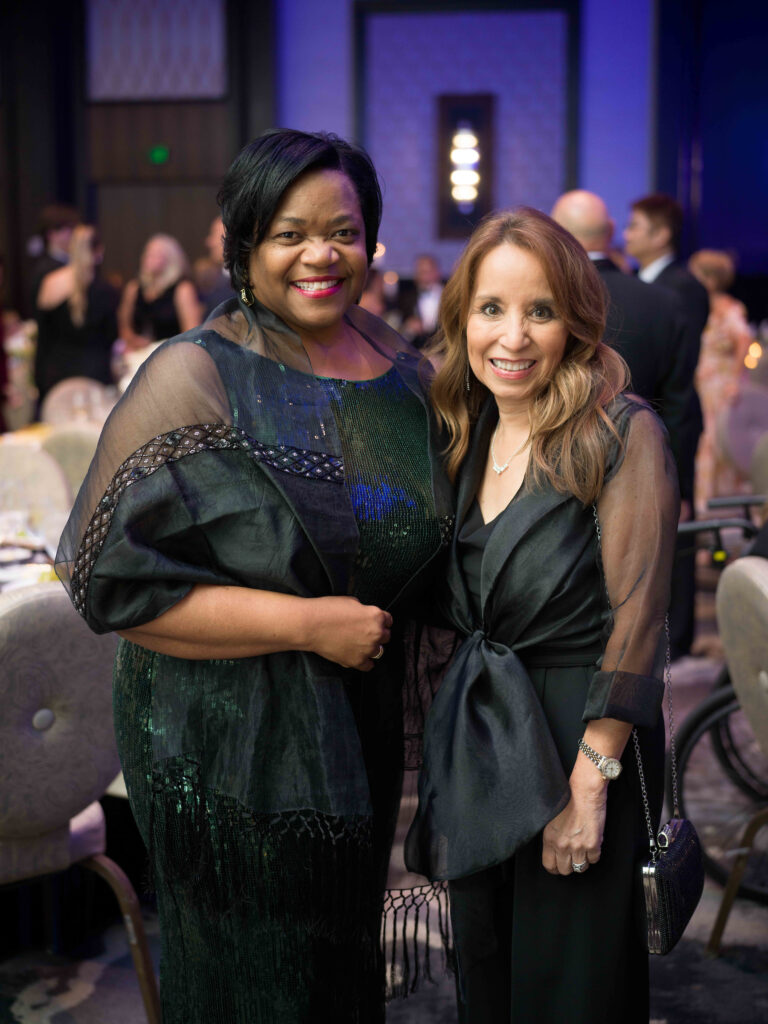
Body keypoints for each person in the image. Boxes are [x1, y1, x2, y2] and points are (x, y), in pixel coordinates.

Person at [55, 128, 451, 1023]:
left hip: (360, 722)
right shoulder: (198, 374)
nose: (322, 255)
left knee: (337, 966)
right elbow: (108, 587)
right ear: (243, 244)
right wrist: (309, 625)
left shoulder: (402, 372)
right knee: (257, 979)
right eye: (289, 232)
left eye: (344, 231)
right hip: (225, 742)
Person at [405, 208, 679, 1023]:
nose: (513, 337)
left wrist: (591, 782)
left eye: (541, 311)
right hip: (483, 734)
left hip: (577, 731)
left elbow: (640, 620)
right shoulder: (462, 431)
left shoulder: (622, 434)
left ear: (576, 322)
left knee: (570, 989)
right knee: (488, 973)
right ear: (461, 320)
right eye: (492, 309)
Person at [550, 190, 689, 484]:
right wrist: (679, 486)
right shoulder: (663, 302)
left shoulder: (547, 297)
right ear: (611, 231)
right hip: (646, 472)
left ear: (555, 234)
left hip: (555, 472)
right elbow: (681, 408)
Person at [624, 193, 708, 659]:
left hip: (674, 420)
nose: (628, 234)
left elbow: (680, 371)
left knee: (677, 527)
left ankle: (680, 637)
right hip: (652, 419)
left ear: (661, 234)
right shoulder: (641, 282)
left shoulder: (683, 286)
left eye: (636, 226)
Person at [688, 248, 753, 513]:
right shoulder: (698, 307)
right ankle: (702, 514)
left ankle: (714, 513)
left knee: (715, 447)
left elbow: (744, 340)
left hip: (718, 388)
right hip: (701, 385)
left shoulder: (728, 308)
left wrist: (736, 379)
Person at [34, 225, 119, 401]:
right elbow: (111, 337)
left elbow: (42, 339)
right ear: (99, 251)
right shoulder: (107, 291)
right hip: (95, 376)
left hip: (56, 376)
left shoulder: (50, 283)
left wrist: (39, 381)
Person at [117, 233, 201, 352]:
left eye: (157, 255)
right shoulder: (134, 288)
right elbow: (124, 326)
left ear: (171, 259)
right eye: (148, 253)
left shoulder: (182, 289)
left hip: (171, 355)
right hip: (137, 356)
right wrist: (133, 341)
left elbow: (192, 332)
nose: (150, 258)